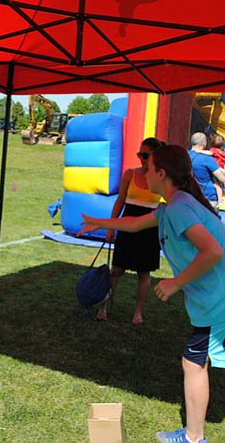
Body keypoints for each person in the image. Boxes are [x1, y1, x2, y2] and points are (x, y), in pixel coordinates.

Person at [78, 145, 225, 443]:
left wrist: (175, 282)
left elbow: (213, 251)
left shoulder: (180, 207)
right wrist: (99, 223)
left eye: (148, 167)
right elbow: (136, 223)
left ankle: (194, 437)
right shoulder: (175, 205)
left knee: (194, 362)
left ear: (162, 173)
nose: (143, 172)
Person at [97, 137, 164, 324]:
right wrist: (111, 226)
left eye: (145, 155)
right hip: (127, 225)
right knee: (116, 269)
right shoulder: (130, 174)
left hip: (149, 228)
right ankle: (104, 306)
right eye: (139, 154)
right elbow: (119, 201)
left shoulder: (161, 176)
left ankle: (138, 312)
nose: (141, 158)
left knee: (144, 273)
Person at [188, 132, 225, 209]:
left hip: (189, 197)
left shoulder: (185, 155)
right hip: (208, 198)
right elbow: (222, 179)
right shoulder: (207, 159)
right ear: (204, 143)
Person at [205, 133, 225, 203]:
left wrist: (200, 151)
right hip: (222, 170)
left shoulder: (213, 150)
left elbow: (209, 153)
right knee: (219, 184)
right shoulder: (224, 153)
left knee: (216, 185)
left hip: (216, 169)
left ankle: (220, 199)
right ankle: (224, 185)